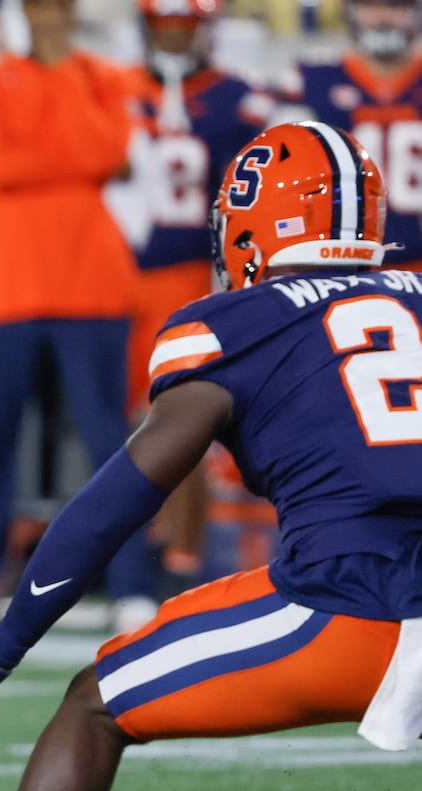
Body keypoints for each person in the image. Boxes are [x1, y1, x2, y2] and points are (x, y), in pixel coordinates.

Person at [0, 121, 422, 791]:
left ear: (250, 227)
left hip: (342, 604)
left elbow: (110, 506)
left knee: (93, 705)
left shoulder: (234, 326)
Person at [0, 0, 157, 636]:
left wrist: (61, 105)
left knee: (108, 439)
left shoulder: (107, 76)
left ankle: (132, 586)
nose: (48, 16)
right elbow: (3, 165)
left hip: (95, 286)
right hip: (13, 287)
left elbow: (108, 149)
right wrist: (72, 156)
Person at [125, 0, 274, 591]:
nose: (175, 37)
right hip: (121, 275)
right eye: (165, 25)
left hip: (192, 273)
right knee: (124, 420)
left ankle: (182, 553)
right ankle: (138, 554)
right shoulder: (116, 89)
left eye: (184, 26)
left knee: (179, 416)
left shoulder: (239, 100)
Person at [276, 0, 422, 269]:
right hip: (341, 260)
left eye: (395, 6)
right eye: (370, 6)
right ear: (350, 11)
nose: (382, 18)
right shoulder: (314, 78)